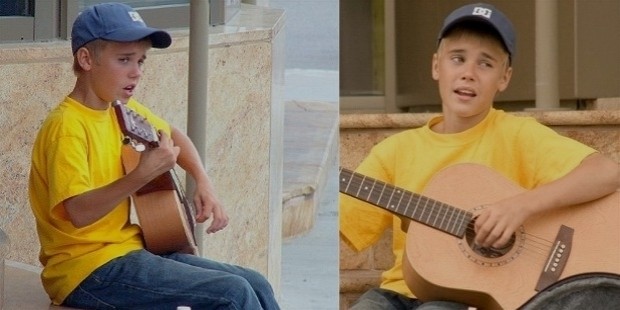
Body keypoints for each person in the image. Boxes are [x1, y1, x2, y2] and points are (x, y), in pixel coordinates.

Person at [339, 2, 620, 310]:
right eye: (457, 59)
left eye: (485, 64)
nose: (468, 73)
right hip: (396, 294)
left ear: (504, 77)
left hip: (462, 300)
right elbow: (338, 221)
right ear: (436, 66)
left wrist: (519, 207)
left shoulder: (517, 135)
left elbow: (606, 172)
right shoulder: (395, 151)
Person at [28, 3, 280, 309]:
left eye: (141, 60)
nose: (136, 72)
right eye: (124, 60)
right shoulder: (67, 127)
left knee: (256, 283)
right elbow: (79, 212)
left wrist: (203, 182)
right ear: (85, 59)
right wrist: (141, 175)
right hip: (86, 270)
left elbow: (174, 136)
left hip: (128, 251)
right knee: (232, 293)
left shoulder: (119, 110)